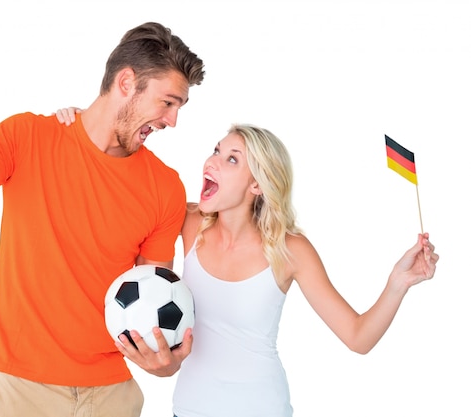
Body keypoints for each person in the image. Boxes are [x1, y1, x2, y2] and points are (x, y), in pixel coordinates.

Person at [55, 110, 439, 417]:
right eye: (216, 150)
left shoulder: (290, 250)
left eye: (232, 159)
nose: (213, 161)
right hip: (190, 409)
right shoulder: (189, 224)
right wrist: (90, 129)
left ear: (257, 185)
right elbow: (127, 185)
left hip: (263, 408)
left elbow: (357, 337)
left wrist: (397, 283)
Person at [0, 22, 205, 417]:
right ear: (126, 82)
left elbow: (148, 302)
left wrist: (164, 361)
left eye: (178, 108)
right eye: (167, 102)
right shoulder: (26, 136)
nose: (172, 121)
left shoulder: (165, 188)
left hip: (110, 396)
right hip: (16, 388)